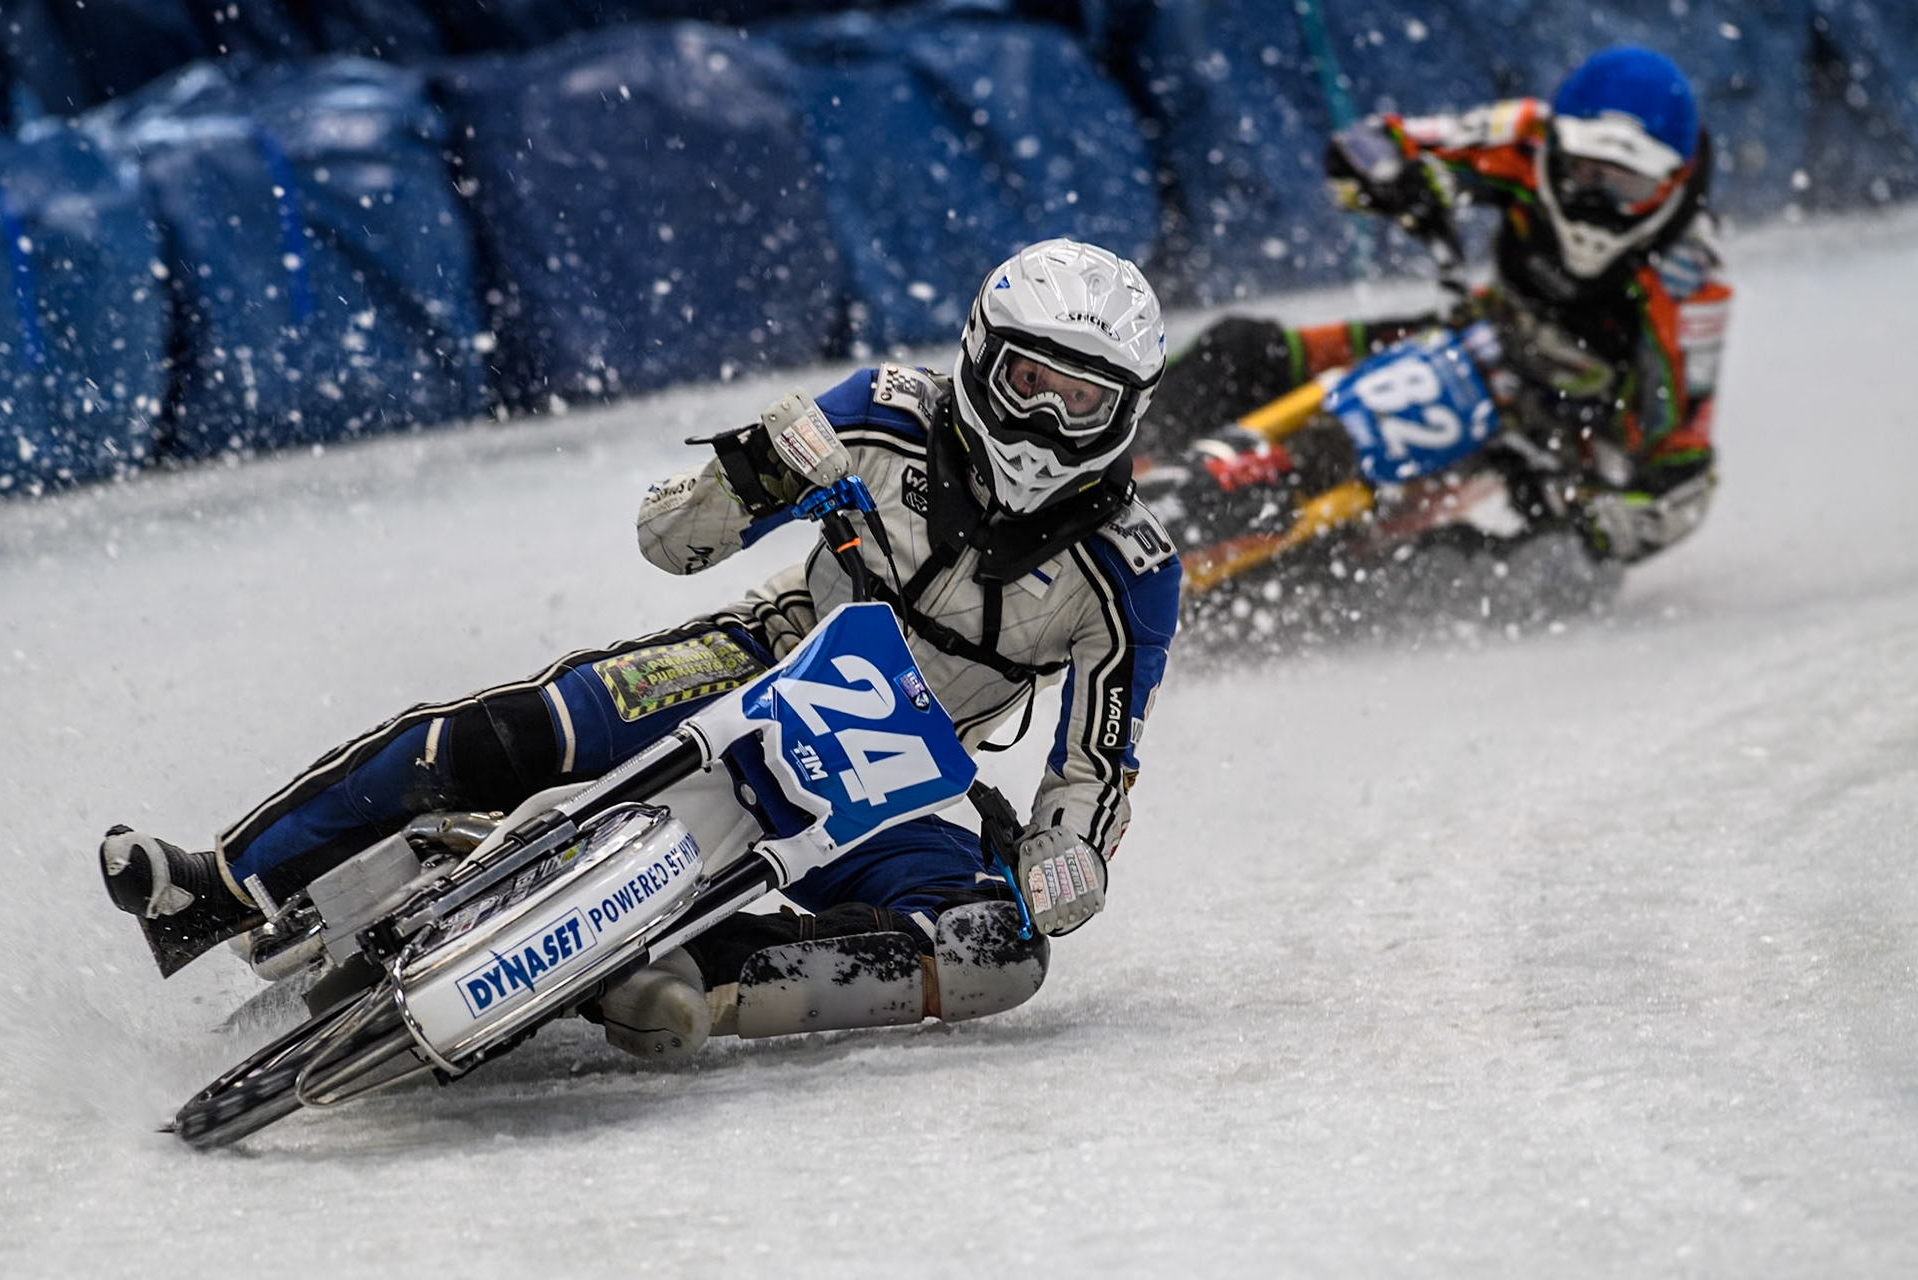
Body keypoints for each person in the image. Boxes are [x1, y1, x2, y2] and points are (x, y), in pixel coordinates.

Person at [99, 237, 1181, 1059]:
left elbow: (1097, 759)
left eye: (1081, 403)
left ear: (1126, 415)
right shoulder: (884, 414)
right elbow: (668, 539)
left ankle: (694, 970)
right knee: (525, 725)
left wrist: (1065, 851)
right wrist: (756, 465)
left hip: (902, 775)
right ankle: (222, 883)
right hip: (762, 659)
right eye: (1031, 385)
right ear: (982, 360)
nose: (1044, 427)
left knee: (999, 954)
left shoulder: (1132, 570)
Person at [1141, 45, 1729, 570]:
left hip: (1567, 437)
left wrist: (1616, 517)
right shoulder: (1521, 134)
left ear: (1668, 182)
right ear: (1556, 147)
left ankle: (1285, 576)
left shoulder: (1690, 281)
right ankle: (1113, 446)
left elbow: (1682, 464)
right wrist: (1402, 179)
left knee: (1528, 568)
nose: (1596, 198)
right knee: (1244, 351)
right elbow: (1366, 145)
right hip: (1481, 333)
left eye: (1623, 184)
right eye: (1584, 172)